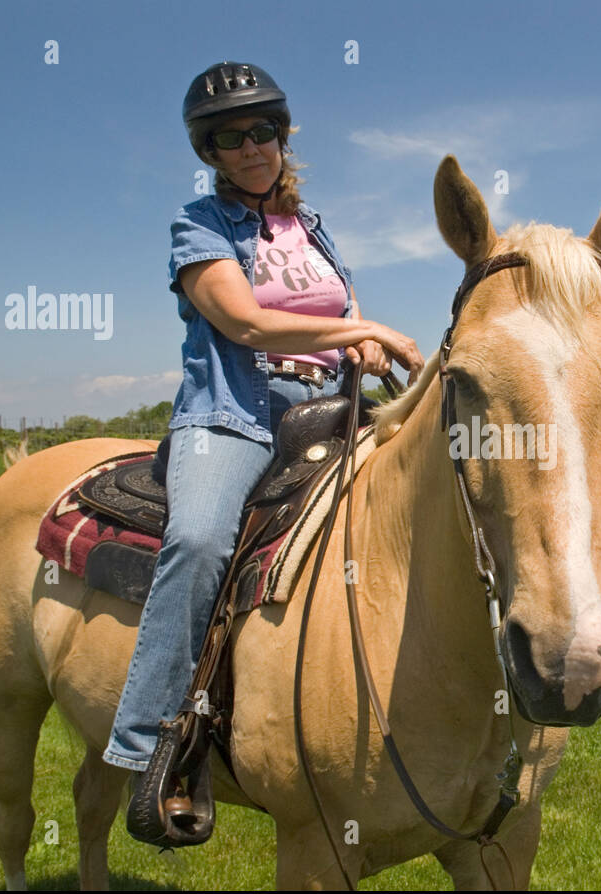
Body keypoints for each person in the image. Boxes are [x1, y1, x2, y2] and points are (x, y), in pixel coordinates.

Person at [102, 62, 424, 832]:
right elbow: (245, 323)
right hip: (236, 413)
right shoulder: (199, 226)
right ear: (209, 153)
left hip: (329, 406)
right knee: (203, 538)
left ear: (283, 136)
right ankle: (153, 739)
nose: (249, 148)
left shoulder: (312, 228)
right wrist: (361, 330)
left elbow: (342, 312)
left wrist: (360, 350)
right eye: (227, 139)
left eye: (261, 131)